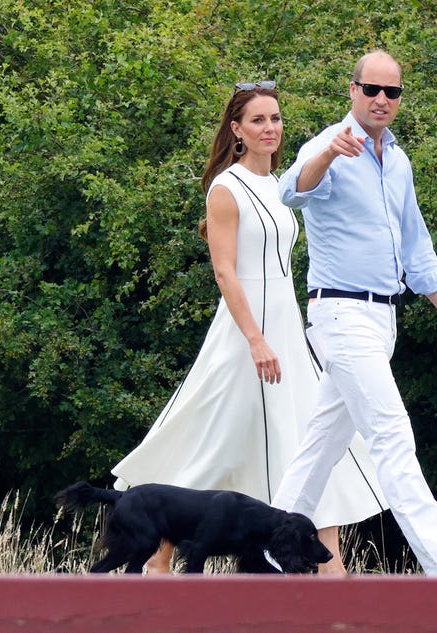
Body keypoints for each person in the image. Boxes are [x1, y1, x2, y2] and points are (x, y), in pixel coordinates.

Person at [110, 80, 386, 576]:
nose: (270, 128)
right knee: (213, 440)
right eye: (258, 120)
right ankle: (156, 561)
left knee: (308, 438)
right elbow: (225, 272)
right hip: (245, 333)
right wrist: (256, 339)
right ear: (236, 130)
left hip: (287, 325)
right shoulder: (226, 188)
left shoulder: (281, 185)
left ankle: (332, 571)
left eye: (276, 119)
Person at [271, 51, 437, 576]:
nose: (381, 100)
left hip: (382, 320)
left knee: (321, 445)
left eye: (391, 92)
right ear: (352, 90)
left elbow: (416, 246)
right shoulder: (331, 144)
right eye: (371, 89)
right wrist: (329, 154)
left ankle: (269, 549)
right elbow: (291, 190)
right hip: (340, 314)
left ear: (399, 99)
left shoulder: (398, 161)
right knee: (392, 436)